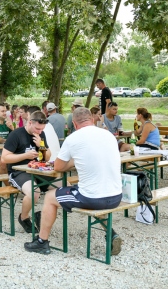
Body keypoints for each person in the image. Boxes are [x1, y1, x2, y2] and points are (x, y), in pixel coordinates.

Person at [26, 107, 123, 255]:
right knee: (95, 189)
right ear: (92, 119)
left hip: (92, 198)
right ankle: (111, 233)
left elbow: (58, 167)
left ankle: (41, 241)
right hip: (116, 195)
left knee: (50, 197)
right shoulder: (108, 135)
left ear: (74, 124)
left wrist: (72, 161)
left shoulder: (73, 138)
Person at [3, 111, 51, 233]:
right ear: (30, 123)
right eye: (37, 128)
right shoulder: (16, 134)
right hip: (18, 172)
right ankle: (24, 217)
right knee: (34, 192)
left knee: (64, 186)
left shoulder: (41, 135)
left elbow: (47, 158)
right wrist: (25, 155)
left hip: (37, 169)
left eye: (42, 129)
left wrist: (41, 145)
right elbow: (4, 158)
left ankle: (43, 214)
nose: (39, 131)